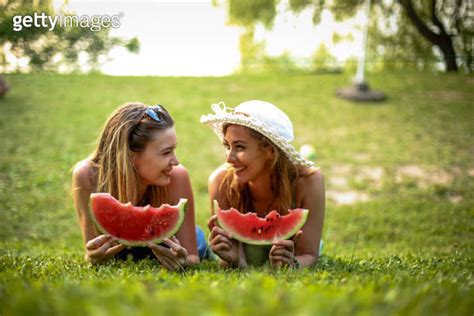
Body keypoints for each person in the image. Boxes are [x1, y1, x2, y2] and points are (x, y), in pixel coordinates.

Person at [72, 102, 202, 270]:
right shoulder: (87, 177)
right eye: (166, 152)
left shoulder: (177, 176)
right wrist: (93, 257)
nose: (175, 161)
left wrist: (184, 262)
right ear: (131, 156)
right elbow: (92, 250)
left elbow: (192, 256)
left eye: (174, 150)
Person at [201, 100, 325, 269]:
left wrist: (291, 265)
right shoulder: (220, 182)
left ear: (270, 150)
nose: (228, 158)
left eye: (239, 147)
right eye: (227, 146)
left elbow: (308, 254)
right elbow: (230, 259)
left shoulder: (309, 182)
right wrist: (236, 261)